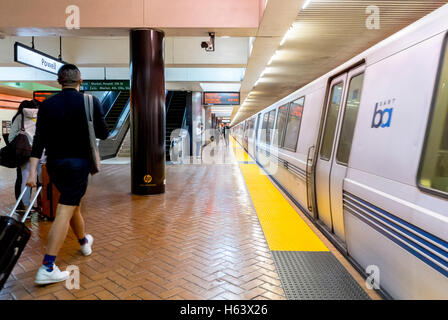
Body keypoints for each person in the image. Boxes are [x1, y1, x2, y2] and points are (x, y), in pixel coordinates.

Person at [26, 64, 109, 285]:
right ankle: (47, 267)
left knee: (73, 205)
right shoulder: (91, 102)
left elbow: (38, 143)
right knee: (64, 210)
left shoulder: (46, 105)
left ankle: (83, 242)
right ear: (80, 80)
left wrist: (32, 172)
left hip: (54, 165)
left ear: (59, 81)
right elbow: (104, 133)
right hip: (78, 165)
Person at [8, 100, 41, 213]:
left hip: (25, 153)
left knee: (25, 180)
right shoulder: (43, 115)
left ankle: (26, 207)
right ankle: (44, 207)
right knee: (43, 181)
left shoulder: (19, 117)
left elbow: (11, 137)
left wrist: (20, 143)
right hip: (42, 153)